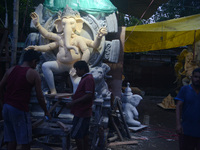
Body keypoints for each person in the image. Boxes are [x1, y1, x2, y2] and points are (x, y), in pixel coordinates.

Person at [0, 50, 51, 150]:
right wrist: (46, 112)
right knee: (25, 142)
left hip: (7, 108)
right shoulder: (34, 74)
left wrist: (3, 103)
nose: (36, 66)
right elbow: (40, 97)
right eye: (36, 63)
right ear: (33, 61)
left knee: (11, 140)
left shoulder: (10, 70)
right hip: (19, 109)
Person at [66, 60, 95, 150]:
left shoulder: (88, 78)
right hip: (81, 111)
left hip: (82, 112)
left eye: (77, 70)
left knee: (77, 135)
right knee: (84, 134)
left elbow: (88, 95)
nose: (76, 72)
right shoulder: (85, 78)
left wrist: (73, 102)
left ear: (82, 69)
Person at [175, 67, 200, 150]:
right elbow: (178, 106)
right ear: (191, 77)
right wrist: (178, 124)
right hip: (186, 129)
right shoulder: (185, 90)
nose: (197, 79)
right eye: (196, 77)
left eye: (199, 77)